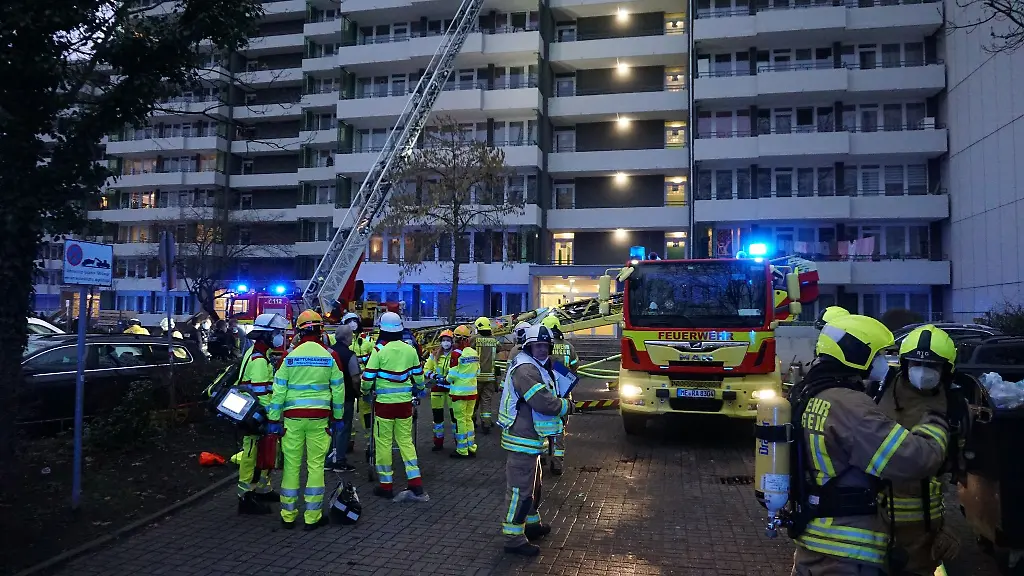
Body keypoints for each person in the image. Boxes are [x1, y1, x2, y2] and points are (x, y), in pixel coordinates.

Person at [788, 314, 950, 576]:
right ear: (857, 354)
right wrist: (935, 423)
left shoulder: (808, 393)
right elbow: (913, 459)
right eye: (880, 355)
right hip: (848, 553)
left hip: (813, 541)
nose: (885, 363)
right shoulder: (850, 406)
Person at [876, 325, 960, 575]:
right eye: (915, 364)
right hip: (878, 519)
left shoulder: (955, 404)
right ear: (903, 365)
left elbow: (952, 468)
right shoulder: (879, 393)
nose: (923, 372)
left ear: (946, 370)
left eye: (933, 366)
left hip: (926, 525)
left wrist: (944, 526)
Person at [266, 310, 346, 530]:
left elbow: (278, 391)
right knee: (316, 466)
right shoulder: (330, 356)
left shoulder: (289, 358)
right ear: (321, 331)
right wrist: (338, 418)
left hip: (292, 420)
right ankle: (313, 517)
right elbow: (338, 390)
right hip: (319, 420)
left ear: (299, 332)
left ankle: (288, 516)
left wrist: (274, 420)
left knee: (291, 467)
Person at [497, 324, 572, 556]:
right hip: (522, 438)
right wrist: (566, 405)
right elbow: (542, 401)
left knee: (533, 484)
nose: (542, 350)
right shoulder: (526, 370)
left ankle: (530, 524)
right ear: (528, 347)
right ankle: (513, 538)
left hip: (532, 437)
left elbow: (560, 381)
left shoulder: (538, 365)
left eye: (545, 346)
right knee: (520, 489)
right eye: (537, 346)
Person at [361, 311, 427, 499]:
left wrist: (365, 392)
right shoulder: (410, 349)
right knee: (406, 442)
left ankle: (386, 485)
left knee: (383, 444)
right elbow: (419, 377)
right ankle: (415, 483)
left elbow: (367, 378)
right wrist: (420, 389)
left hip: (384, 406)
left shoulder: (379, 351)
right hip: (405, 404)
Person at [235, 313, 290, 514]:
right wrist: (273, 415)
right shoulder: (258, 360)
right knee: (252, 457)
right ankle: (246, 498)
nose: (279, 337)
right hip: (255, 416)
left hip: (256, 415)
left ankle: (263, 490)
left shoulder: (259, 355)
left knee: (264, 455)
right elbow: (261, 394)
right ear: (266, 335)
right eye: (276, 333)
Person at [541, 315, 578, 476]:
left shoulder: (542, 346)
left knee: (541, 425)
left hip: (544, 393)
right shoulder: (568, 346)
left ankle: (541, 456)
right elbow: (575, 367)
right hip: (563, 394)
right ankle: (557, 463)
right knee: (559, 429)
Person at [325, 324, 362, 473]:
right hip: (345, 396)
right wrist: (358, 392)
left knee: (329, 428)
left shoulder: (328, 352)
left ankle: (328, 459)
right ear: (347, 337)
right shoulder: (350, 355)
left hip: (327, 397)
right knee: (343, 427)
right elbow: (355, 378)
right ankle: (339, 460)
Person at [343, 312, 376, 457]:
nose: (352, 324)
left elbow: (375, 358)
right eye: (349, 321)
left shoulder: (368, 340)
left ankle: (370, 442)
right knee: (347, 413)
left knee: (366, 414)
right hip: (348, 381)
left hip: (364, 381)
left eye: (354, 320)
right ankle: (349, 440)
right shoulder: (340, 340)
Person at [447, 325, 479, 459]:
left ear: (457, 338)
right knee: (468, 419)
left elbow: (452, 375)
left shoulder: (456, 354)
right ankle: (471, 446)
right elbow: (478, 371)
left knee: (460, 420)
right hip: (472, 392)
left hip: (459, 393)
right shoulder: (473, 353)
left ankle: (462, 449)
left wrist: (446, 378)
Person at [424, 329, 456, 452]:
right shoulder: (434, 354)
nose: (446, 343)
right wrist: (434, 376)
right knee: (438, 418)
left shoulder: (456, 355)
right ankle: (438, 442)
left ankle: (459, 442)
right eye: (443, 340)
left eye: (448, 340)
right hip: (437, 389)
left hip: (451, 389)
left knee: (454, 418)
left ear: (452, 341)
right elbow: (426, 369)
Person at [473, 317, 500, 434]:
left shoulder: (474, 339)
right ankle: (486, 423)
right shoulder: (494, 340)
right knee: (487, 400)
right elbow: (500, 348)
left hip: (476, 377)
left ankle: (472, 421)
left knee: (474, 401)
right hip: (490, 377)